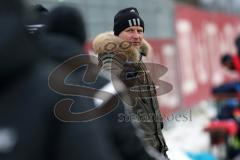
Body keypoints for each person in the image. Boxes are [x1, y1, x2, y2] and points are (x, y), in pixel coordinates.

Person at [93, 7, 169, 158]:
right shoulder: (112, 61)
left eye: (139, 31)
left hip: (153, 150)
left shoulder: (136, 60)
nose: (136, 36)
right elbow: (106, 104)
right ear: (117, 34)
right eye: (130, 30)